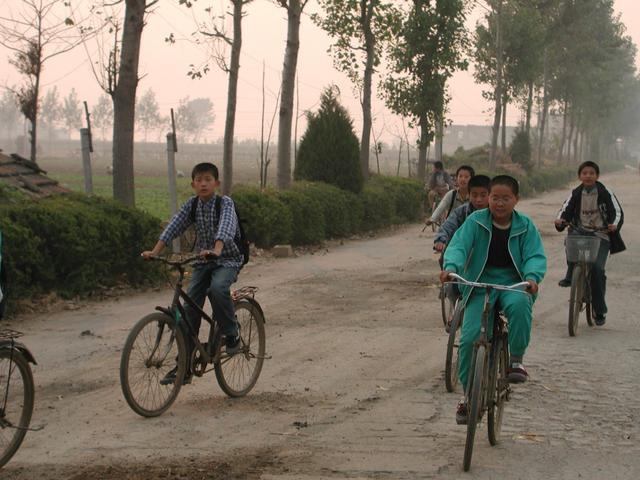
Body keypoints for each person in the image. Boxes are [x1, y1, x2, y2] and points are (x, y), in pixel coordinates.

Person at [440, 175, 546, 425]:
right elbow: (458, 246)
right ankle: (468, 396)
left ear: (516, 200)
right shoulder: (476, 222)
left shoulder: (526, 226)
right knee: (468, 339)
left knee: (521, 307)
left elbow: (534, 255)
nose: (499, 203)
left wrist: (531, 277)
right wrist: (451, 266)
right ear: (488, 198)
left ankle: (516, 360)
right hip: (479, 282)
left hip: (513, 282)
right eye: (495, 198)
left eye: (505, 198)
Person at [141, 162, 245, 385]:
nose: (203, 184)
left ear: (216, 183)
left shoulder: (224, 203)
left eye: (208, 179)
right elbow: (174, 226)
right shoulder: (192, 205)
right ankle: (184, 366)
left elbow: (226, 227)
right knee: (189, 313)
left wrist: (216, 250)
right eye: (199, 180)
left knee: (217, 289)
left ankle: (231, 332)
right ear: (193, 184)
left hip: (227, 259)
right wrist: (155, 251)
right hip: (202, 261)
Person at [554, 161, 625, 326]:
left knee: (597, 268)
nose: (588, 176)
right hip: (579, 231)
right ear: (580, 176)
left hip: (601, 234)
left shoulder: (605, 192)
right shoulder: (576, 193)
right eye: (584, 173)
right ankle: (571, 273)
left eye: (591, 173)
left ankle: (599, 310)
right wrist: (560, 220)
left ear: (597, 176)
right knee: (570, 243)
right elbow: (565, 209)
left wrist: (614, 225)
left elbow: (618, 212)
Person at [433, 174, 491, 253]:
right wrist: (440, 239)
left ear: (490, 195)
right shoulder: (462, 211)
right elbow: (448, 225)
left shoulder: (496, 212)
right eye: (474, 195)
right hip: (465, 251)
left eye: (483, 195)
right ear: (469, 195)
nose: (478, 200)